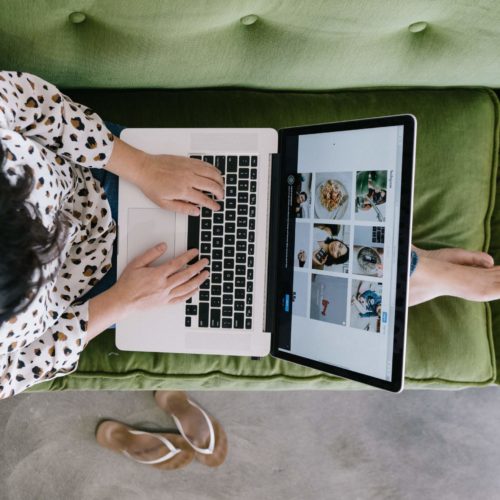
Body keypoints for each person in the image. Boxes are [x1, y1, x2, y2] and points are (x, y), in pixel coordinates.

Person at [2, 70, 500, 400]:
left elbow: (26, 101)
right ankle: (413, 269)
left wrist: (140, 164)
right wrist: (119, 304)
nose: (47, 247)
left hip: (106, 175)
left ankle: (413, 270)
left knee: (287, 211)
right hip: (111, 283)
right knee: (281, 292)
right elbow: (22, 368)